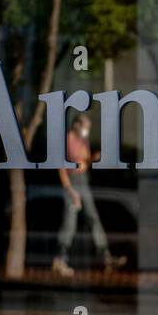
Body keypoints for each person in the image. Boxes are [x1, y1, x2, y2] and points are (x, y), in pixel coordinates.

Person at [54, 113, 127, 277]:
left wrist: (93, 159)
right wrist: (70, 191)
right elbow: (61, 169)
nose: (87, 130)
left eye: (88, 128)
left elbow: (84, 161)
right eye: (85, 127)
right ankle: (60, 260)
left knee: (93, 218)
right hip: (71, 182)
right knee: (70, 222)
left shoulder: (82, 140)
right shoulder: (66, 140)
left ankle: (106, 259)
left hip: (83, 180)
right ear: (76, 125)